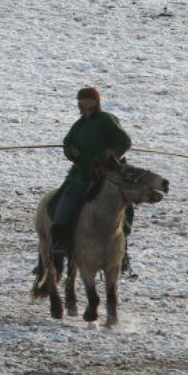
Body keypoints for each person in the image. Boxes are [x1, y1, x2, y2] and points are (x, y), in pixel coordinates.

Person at [50, 87, 135, 271]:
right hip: (81, 176)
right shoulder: (79, 124)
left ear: (92, 103)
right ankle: (59, 244)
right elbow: (67, 142)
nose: (80, 106)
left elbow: (124, 141)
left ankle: (122, 251)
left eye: (83, 102)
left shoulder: (107, 120)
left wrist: (106, 155)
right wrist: (70, 151)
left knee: (121, 209)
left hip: (106, 176)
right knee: (64, 202)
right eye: (79, 102)